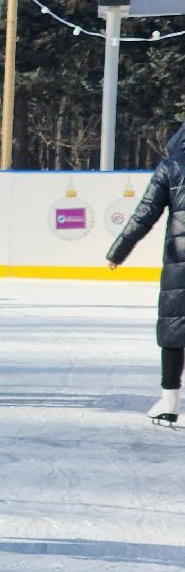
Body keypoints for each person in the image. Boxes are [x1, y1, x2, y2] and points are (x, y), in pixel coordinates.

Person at [106, 122, 185, 426]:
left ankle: (169, 402)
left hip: (180, 264)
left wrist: (118, 251)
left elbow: (144, 213)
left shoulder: (171, 167)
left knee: (175, 330)